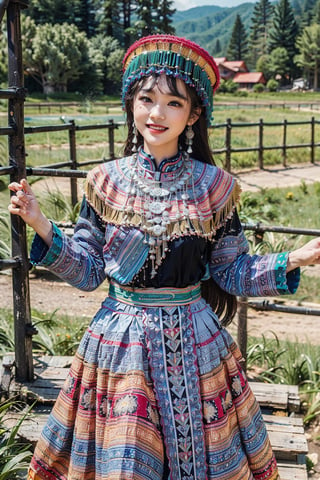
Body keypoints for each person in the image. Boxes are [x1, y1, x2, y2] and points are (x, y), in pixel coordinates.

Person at [8, 34, 320, 480]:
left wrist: (295, 258)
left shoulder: (216, 187)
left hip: (196, 345)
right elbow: (88, 271)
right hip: (119, 349)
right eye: (146, 99)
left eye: (173, 103)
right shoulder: (105, 182)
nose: (156, 113)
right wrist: (41, 224)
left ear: (194, 114)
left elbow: (232, 272)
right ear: (130, 103)